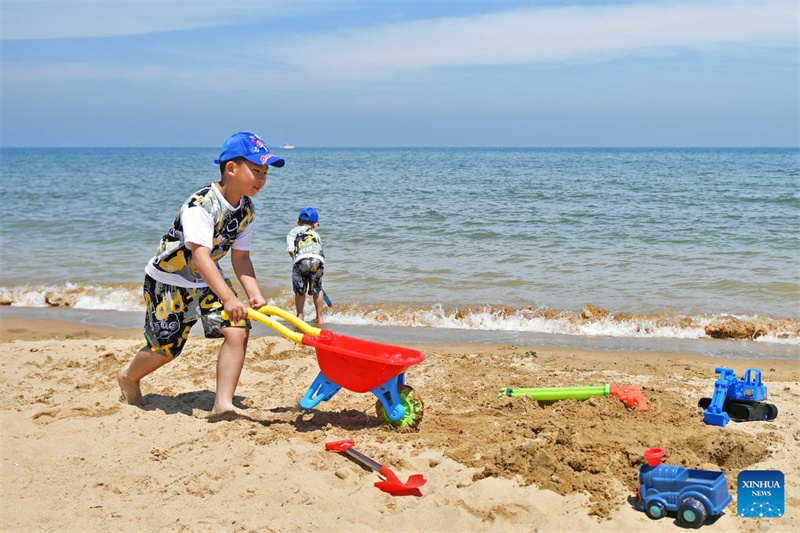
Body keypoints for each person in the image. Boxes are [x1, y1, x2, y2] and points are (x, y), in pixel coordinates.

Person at [117, 131, 285, 415]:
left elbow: (241, 258)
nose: (262, 178)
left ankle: (222, 404)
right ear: (231, 168)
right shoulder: (200, 205)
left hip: (206, 281)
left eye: (265, 173)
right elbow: (200, 255)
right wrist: (230, 297)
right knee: (165, 350)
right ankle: (129, 376)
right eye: (256, 170)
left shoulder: (246, 211)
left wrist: (254, 295)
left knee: (237, 330)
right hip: (169, 283)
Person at [286, 207, 325, 324]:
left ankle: (300, 315)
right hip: (318, 261)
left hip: (301, 261)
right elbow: (319, 250)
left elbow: (291, 250)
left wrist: (295, 258)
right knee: (317, 289)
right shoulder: (316, 234)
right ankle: (319, 317)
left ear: (298, 222)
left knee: (300, 290)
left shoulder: (292, 232)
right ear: (315, 224)